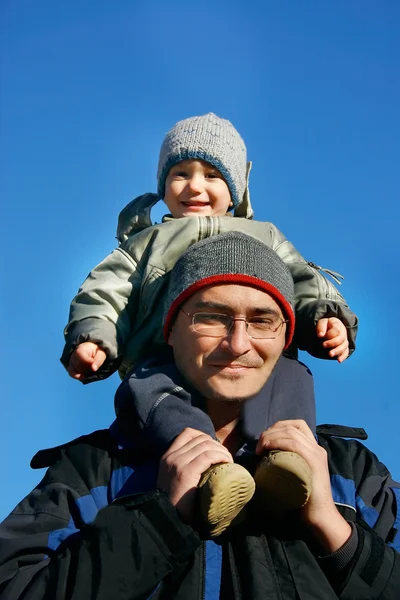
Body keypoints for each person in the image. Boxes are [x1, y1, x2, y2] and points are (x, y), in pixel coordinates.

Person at [1, 233, 398, 599]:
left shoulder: (351, 473)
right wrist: (156, 523)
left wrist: (335, 530)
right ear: (171, 329)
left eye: (261, 321)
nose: (238, 344)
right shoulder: (95, 472)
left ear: (285, 337)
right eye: (211, 317)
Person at [59, 113, 358, 512]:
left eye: (212, 175)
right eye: (180, 173)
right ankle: (209, 472)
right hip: (161, 362)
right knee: (148, 393)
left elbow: (302, 279)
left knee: (292, 378)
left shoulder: (264, 236)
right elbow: (106, 291)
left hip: (251, 363)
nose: (195, 186)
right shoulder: (144, 244)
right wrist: (94, 335)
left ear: (236, 189)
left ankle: (287, 461)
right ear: (162, 186)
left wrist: (327, 316)